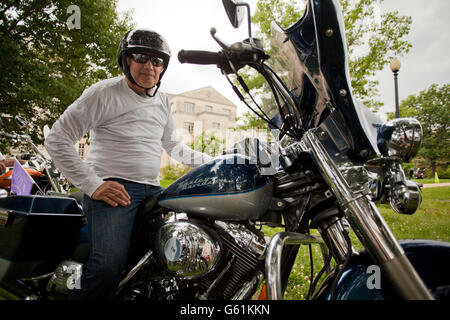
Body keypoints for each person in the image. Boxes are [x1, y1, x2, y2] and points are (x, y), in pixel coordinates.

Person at [44, 28, 212, 300]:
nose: (149, 66)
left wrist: (217, 162)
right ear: (126, 61)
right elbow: (57, 139)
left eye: (157, 61)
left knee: (170, 258)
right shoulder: (103, 92)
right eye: (141, 58)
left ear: (163, 68)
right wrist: (94, 185)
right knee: (108, 266)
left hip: (154, 193)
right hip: (112, 191)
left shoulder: (162, 100)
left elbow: (174, 147)